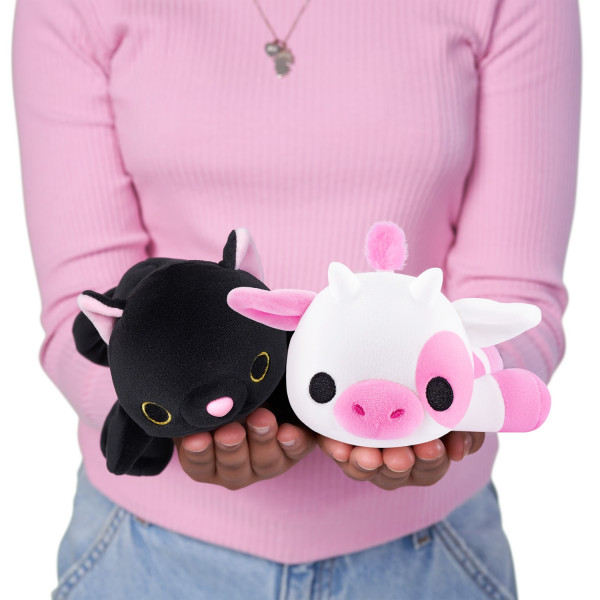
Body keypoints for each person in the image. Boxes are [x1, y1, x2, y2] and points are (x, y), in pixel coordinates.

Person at [12, 0, 581, 598]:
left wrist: (453, 407)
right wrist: (171, 423)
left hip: (431, 551)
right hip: (145, 553)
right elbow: (86, 310)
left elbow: (518, 296)